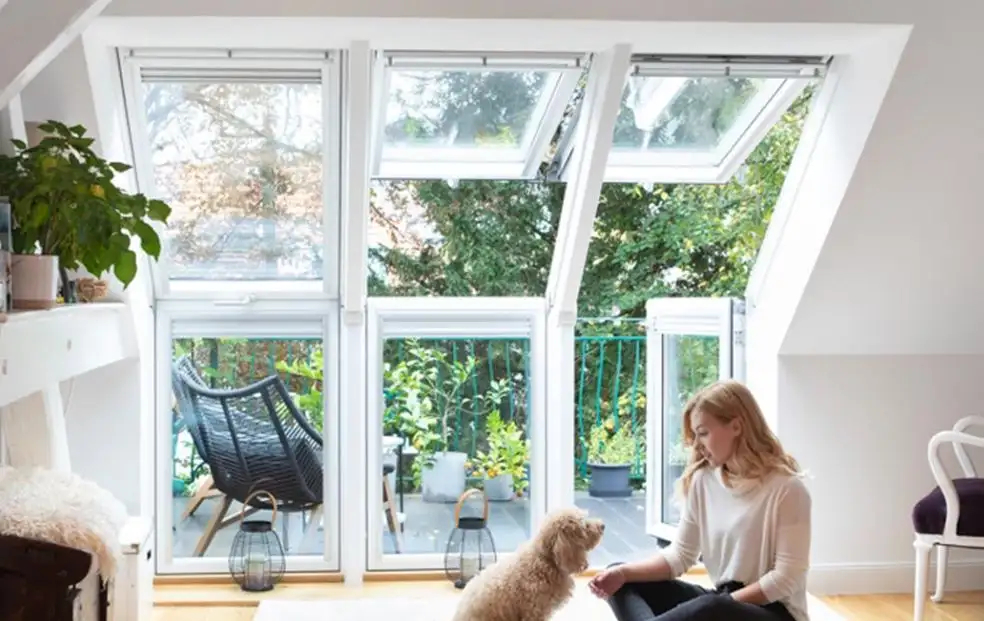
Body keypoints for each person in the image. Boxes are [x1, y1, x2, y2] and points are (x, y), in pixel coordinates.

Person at [588, 379, 811, 621]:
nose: (697, 445)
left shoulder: (787, 489)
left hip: (774, 612)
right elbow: (681, 555)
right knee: (620, 579)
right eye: (694, 436)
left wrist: (720, 604)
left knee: (711, 607)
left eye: (703, 433)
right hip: (721, 601)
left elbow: (786, 578)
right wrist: (623, 572)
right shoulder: (703, 480)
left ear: (736, 426)